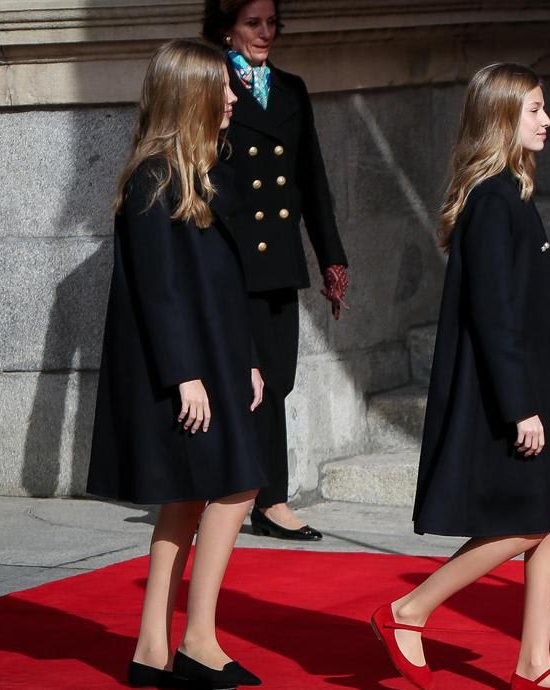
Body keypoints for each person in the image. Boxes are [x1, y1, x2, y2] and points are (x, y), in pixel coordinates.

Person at [370, 63, 550, 690]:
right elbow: (494, 316)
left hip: (540, 385)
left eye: (544, 106)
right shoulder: (494, 201)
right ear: (502, 118)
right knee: (525, 519)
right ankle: (407, 611)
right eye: (534, 109)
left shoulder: (511, 192)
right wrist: (520, 406)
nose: (547, 119)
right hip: (517, 392)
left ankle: (534, 662)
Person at [86, 39, 266, 689]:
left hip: (216, 360)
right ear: (188, 93)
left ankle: (150, 651)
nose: (232, 96)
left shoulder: (202, 171)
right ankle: (196, 639)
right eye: (220, 86)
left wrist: (244, 360)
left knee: (191, 499)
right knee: (234, 485)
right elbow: (156, 292)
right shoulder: (151, 178)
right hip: (185, 370)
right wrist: (184, 373)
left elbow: (224, 281)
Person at [202, 0, 349, 541]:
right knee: (235, 378)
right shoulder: (207, 83)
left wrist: (331, 255)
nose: (266, 34)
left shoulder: (291, 87)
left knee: (277, 379)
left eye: (271, 24)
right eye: (252, 24)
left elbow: (312, 177)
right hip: (228, 253)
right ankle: (247, 495)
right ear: (226, 28)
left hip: (278, 259)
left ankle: (264, 498)